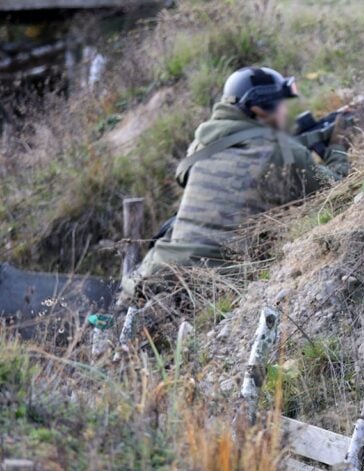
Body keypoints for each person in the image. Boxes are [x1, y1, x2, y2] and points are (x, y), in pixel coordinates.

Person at [120, 66, 350, 301]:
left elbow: (187, 176)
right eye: (280, 104)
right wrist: (338, 146)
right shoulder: (283, 151)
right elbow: (337, 189)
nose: (285, 111)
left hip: (158, 272)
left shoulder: (204, 144)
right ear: (259, 108)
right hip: (219, 283)